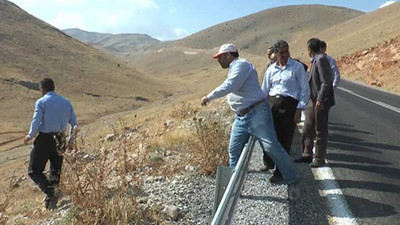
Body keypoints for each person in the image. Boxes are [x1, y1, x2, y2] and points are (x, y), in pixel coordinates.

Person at [200, 43, 299, 185]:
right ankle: (234, 185)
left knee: (271, 147)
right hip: (241, 117)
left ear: (228, 55)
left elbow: (231, 84)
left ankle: (292, 178)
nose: (218, 60)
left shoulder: (241, 65)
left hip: (256, 113)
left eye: (220, 57)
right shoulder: (235, 67)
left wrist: (209, 97)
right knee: (234, 150)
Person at [24, 78, 77, 209]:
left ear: (42, 89)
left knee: (34, 170)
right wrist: (71, 140)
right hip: (60, 138)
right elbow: (74, 124)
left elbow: (36, 121)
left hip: (45, 139)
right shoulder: (66, 102)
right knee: (55, 170)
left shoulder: (41, 102)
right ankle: (51, 203)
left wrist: (29, 136)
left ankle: (51, 193)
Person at [261, 40, 310, 182]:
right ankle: (269, 161)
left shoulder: (297, 67)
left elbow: (304, 90)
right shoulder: (271, 70)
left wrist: (299, 109)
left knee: (285, 139)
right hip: (272, 104)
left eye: (286, 51)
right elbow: (264, 91)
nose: (284, 55)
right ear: (275, 54)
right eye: (281, 52)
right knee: (269, 137)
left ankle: (280, 172)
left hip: (289, 106)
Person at [294, 38, 335, 167]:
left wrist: (320, 99)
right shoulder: (315, 60)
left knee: (320, 130)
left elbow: (326, 82)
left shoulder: (321, 59)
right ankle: (306, 154)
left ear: (309, 49)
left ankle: (319, 158)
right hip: (313, 100)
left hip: (320, 101)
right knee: (307, 128)